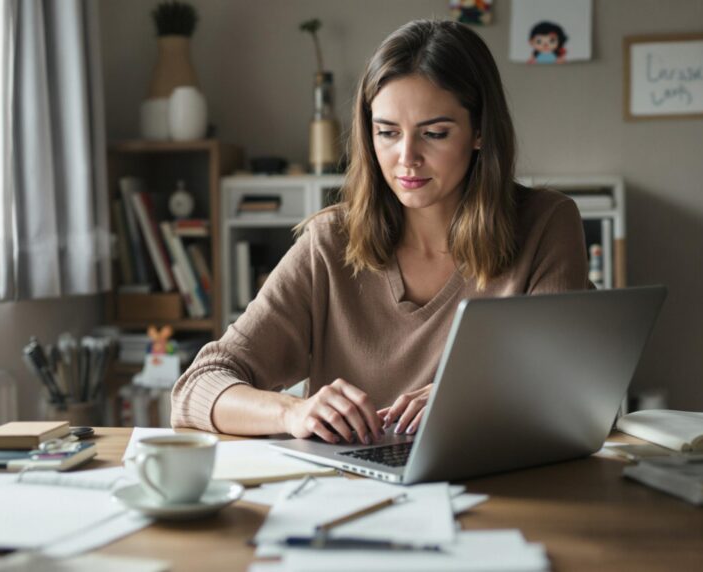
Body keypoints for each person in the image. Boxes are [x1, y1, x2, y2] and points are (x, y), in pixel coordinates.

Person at [171, 19, 589, 445]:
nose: (407, 158)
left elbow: (568, 384)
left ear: (480, 132)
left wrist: (468, 400)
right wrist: (294, 411)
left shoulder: (546, 224)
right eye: (387, 132)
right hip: (349, 497)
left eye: (435, 133)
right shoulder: (330, 241)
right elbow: (197, 386)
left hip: (496, 488)